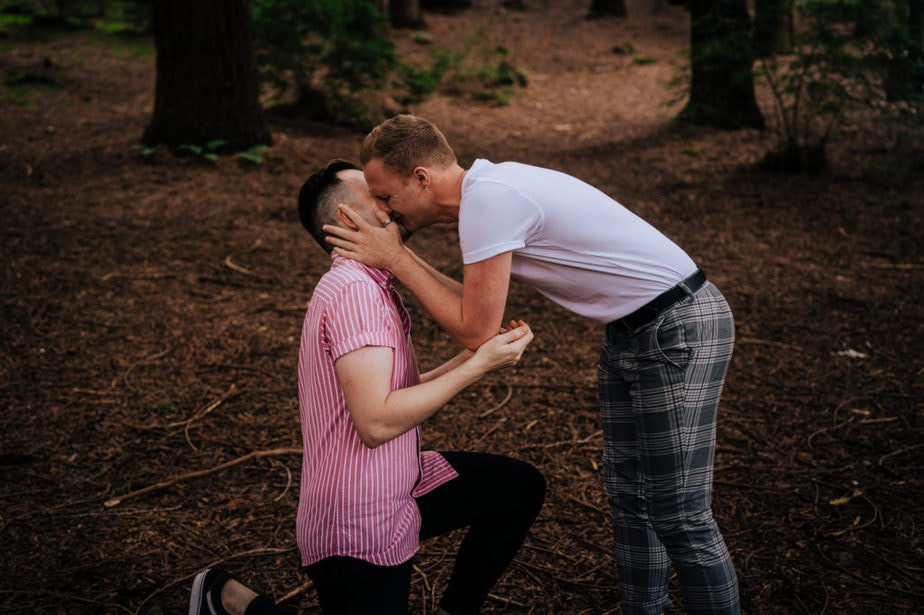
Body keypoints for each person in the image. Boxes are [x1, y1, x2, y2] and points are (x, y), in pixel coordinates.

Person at [323, 115, 740, 615]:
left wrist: (394, 259)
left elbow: (476, 329)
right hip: (630, 332)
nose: (386, 213)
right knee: (628, 495)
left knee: (679, 512)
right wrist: (397, 258)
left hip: (679, 325)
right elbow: (475, 311)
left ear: (422, 178)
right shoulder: (485, 195)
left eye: (386, 198)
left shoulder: (490, 199)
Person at [189, 160, 546, 615]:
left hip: (402, 485)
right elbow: (377, 422)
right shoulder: (354, 291)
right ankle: (229, 600)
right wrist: (476, 370)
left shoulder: (372, 284)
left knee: (518, 488)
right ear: (347, 219)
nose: (389, 198)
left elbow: (398, 392)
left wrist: (477, 356)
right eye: (376, 196)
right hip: (356, 522)